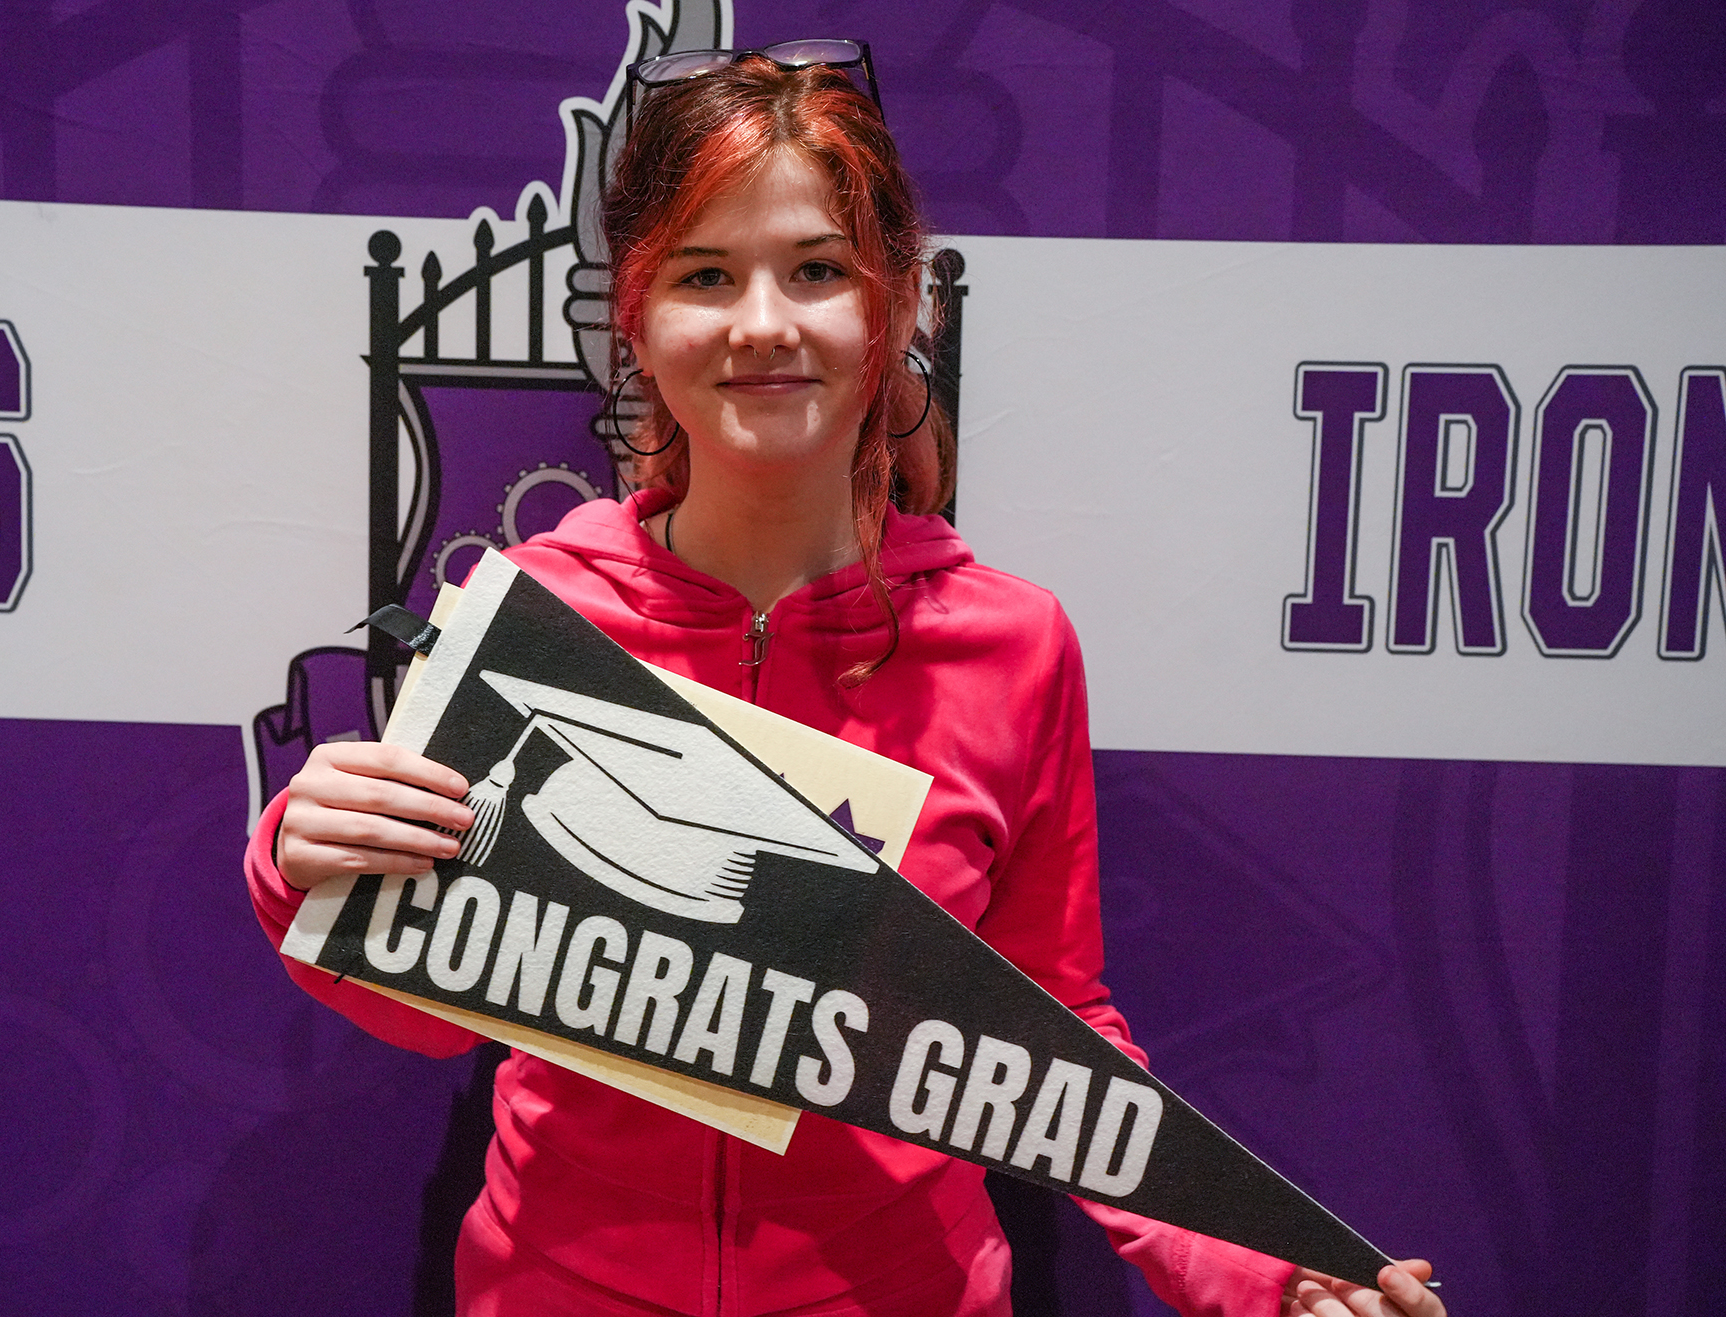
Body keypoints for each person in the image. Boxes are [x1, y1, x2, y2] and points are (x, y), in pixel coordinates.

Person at [247, 42, 1448, 1317]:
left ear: (889, 312)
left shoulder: (1012, 645)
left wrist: (1256, 1265)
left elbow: (1047, 1031)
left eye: (816, 271)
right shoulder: (537, 617)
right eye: (707, 276)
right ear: (639, 326)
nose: (763, 324)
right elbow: (437, 1016)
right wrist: (300, 863)